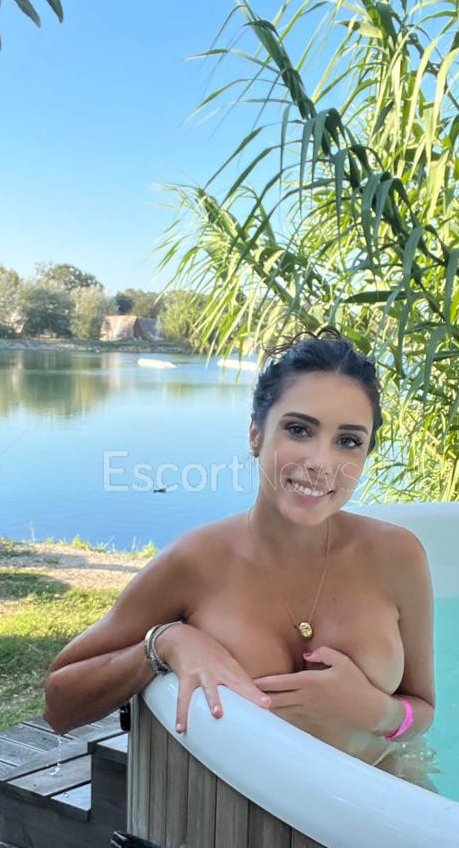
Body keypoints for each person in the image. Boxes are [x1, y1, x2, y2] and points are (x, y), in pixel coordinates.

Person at [44, 327, 437, 783]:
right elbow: (59, 705)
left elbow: (422, 710)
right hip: (240, 813)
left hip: (386, 791)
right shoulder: (197, 562)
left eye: (348, 441)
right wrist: (163, 643)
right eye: (299, 430)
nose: (321, 462)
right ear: (256, 434)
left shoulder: (397, 556)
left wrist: (375, 710)